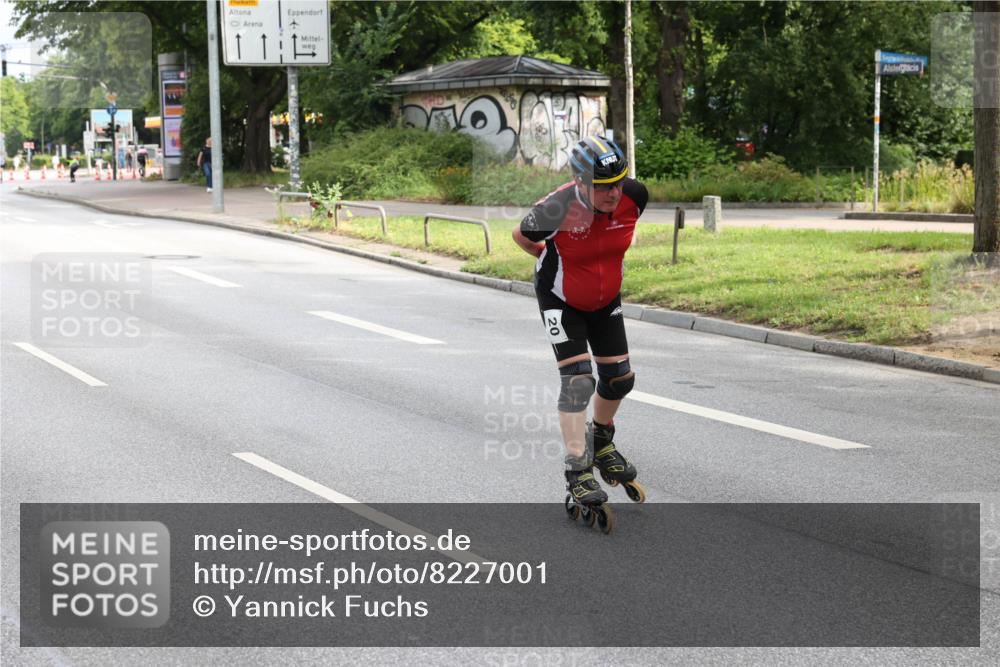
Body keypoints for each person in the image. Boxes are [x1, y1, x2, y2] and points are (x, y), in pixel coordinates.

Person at [512, 135, 649, 527]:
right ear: (580, 183)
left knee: (620, 380)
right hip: (561, 299)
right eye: (604, 186)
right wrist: (550, 258)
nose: (614, 192)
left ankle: (602, 443)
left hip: (605, 299)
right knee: (578, 382)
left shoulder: (635, 196)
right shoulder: (555, 208)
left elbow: (624, 228)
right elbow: (521, 236)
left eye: (619, 182)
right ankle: (577, 471)